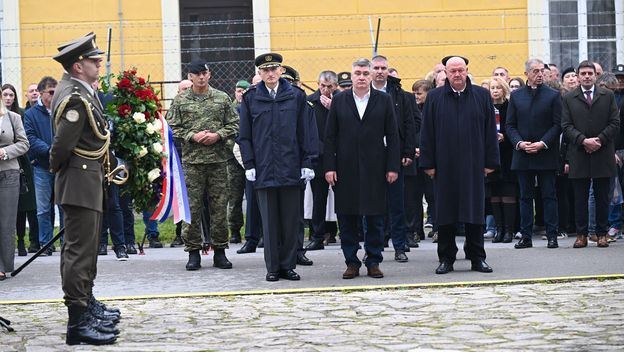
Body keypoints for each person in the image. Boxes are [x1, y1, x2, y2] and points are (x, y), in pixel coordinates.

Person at [50, 32, 120, 345]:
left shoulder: (81, 90)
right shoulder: (74, 97)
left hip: (87, 179)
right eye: (93, 60)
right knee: (79, 252)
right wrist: (59, 170)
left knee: (87, 250)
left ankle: (87, 306)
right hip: (78, 181)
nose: (98, 64)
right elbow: (61, 146)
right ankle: (77, 323)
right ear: (78, 66)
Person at [238, 52, 318, 282]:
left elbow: (306, 131)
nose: (270, 74)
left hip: (291, 165)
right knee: (270, 223)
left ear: (281, 71)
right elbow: (245, 135)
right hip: (263, 168)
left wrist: (307, 162)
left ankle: (288, 265)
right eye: (265, 70)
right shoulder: (251, 98)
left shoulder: (295, 96)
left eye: (274, 69)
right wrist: (249, 163)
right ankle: (273, 267)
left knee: (291, 221)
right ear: (259, 73)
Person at [419, 56, 499, 275]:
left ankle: (476, 257)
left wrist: (490, 162)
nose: (456, 74)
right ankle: (446, 258)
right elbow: (427, 132)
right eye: (452, 71)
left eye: (460, 70)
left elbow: (489, 131)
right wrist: (428, 163)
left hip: (473, 164)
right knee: (445, 214)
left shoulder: (481, 96)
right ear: (445, 72)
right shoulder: (434, 97)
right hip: (444, 166)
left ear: (466, 71)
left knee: (474, 212)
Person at [324, 57, 400, 279]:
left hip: (375, 168)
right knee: (347, 217)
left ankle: (374, 260)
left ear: (371, 76)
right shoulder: (339, 100)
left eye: (365, 73)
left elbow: (393, 136)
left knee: (375, 217)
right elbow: (329, 137)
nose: (361, 77)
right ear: (351, 75)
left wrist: (392, 166)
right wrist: (329, 167)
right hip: (345, 168)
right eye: (357, 73)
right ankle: (352, 262)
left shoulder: (383, 100)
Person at [169, 59, 239, 271]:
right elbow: (172, 127)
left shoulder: (221, 98)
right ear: (190, 76)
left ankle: (220, 251)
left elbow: (234, 124)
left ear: (209, 75)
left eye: (204, 73)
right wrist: (193, 136)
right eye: (196, 73)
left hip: (218, 162)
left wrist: (218, 135)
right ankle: (193, 252)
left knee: (219, 209)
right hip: (192, 163)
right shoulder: (181, 101)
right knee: (192, 209)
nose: (201, 77)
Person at [562, 60, 620, 248]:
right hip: (579, 153)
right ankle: (581, 234)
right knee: (580, 196)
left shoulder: (608, 95)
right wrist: (583, 140)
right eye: (583, 73)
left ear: (595, 76)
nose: (587, 76)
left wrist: (599, 140)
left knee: (602, 196)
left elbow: (614, 123)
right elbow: (566, 125)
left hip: (603, 152)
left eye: (590, 73)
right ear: (578, 76)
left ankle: (602, 233)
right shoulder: (569, 98)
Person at [506, 58, 562, 250]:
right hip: (523, 153)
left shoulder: (553, 95)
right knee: (525, 196)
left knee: (549, 195)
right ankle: (526, 236)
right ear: (527, 74)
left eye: (542, 71)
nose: (540, 74)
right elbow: (510, 125)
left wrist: (542, 143)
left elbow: (557, 124)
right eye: (536, 71)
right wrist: (520, 143)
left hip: (545, 152)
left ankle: (552, 235)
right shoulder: (516, 96)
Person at [371, 55, 417, 262]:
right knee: (371, 204)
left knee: (397, 203)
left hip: (394, 154)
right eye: (377, 68)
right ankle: (375, 246)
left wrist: (408, 152)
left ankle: (399, 246)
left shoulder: (399, 94)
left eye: (384, 68)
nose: (380, 71)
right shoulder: (362, 93)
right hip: (369, 156)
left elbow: (409, 124)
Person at [24, 76, 64, 257]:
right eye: (51, 92)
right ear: (41, 93)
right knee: (43, 209)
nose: (55, 95)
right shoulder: (31, 114)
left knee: (65, 206)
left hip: (63, 166)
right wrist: (50, 151)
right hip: (42, 166)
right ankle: (45, 244)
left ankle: (66, 242)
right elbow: (30, 138)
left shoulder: (62, 110)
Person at [3, 83, 38, 257]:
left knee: (23, 206)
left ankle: (23, 241)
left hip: (20, 164)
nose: (8, 98)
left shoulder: (20, 115)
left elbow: (25, 141)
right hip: (6, 165)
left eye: (11, 95)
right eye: (5, 95)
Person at [306, 70, 339, 251]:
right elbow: (308, 130)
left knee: (343, 198)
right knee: (318, 200)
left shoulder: (342, 100)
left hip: (339, 157)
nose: (325, 90)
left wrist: (333, 107)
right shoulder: (310, 101)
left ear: (335, 86)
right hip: (318, 157)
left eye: (329, 87)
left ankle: (348, 233)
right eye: (322, 86)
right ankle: (317, 236)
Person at [0, 99, 29, 280]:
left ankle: (3, 266)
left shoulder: (13, 117)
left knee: (6, 222)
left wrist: (5, 152)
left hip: (8, 172)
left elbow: (24, 143)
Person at [487, 76, 518, 243]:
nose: (495, 91)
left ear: (504, 89)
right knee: (494, 194)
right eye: (492, 88)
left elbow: (514, 126)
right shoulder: (486, 107)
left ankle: (509, 230)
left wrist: (504, 136)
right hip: (492, 155)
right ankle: (498, 229)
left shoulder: (510, 107)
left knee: (508, 193)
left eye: (498, 87)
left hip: (507, 154)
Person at [226, 80, 250, 244]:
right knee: (234, 199)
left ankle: (256, 230)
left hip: (250, 160)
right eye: (239, 90)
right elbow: (227, 134)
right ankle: (235, 230)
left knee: (253, 198)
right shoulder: (230, 110)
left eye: (244, 91)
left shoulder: (251, 108)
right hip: (233, 161)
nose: (241, 93)